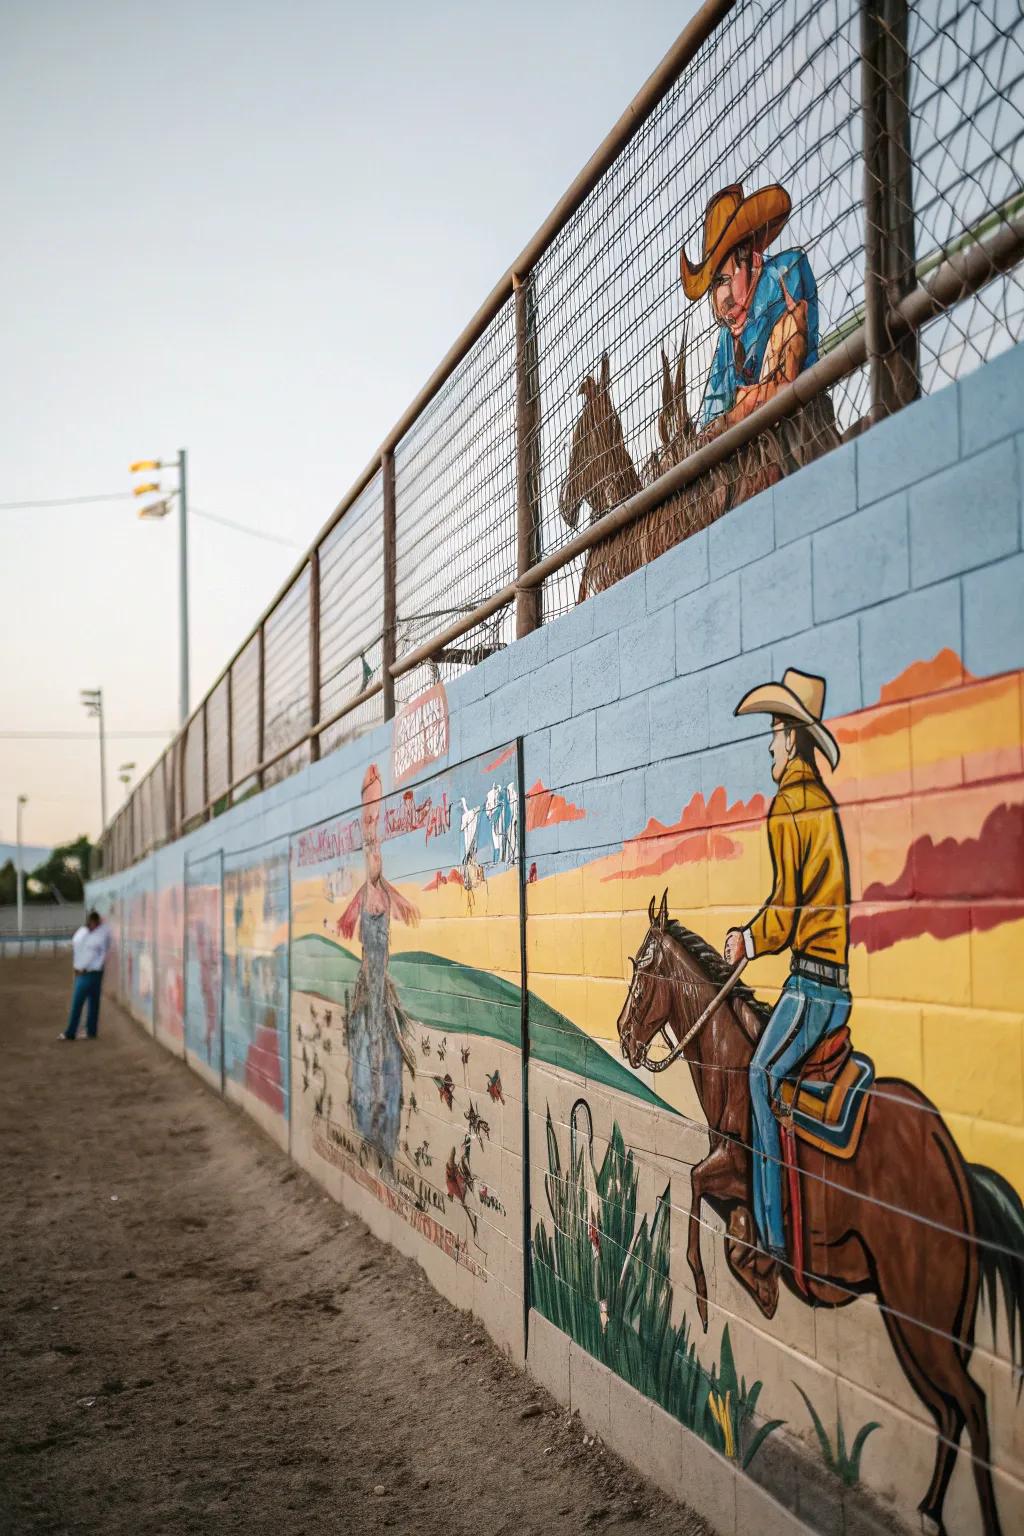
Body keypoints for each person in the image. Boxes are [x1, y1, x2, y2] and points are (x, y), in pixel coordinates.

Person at [722, 669, 851, 1262]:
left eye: (775, 732)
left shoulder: (790, 806)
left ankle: (773, 1241)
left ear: (794, 739)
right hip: (838, 986)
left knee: (758, 1077)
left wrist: (746, 942)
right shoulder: (822, 804)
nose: (769, 745)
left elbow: (786, 907)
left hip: (811, 989)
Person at [680, 182, 839, 478]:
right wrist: (728, 417)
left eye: (725, 279)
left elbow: (782, 383)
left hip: (801, 431)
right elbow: (711, 418)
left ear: (752, 260)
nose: (721, 304)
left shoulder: (786, 274)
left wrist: (734, 412)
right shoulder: (728, 338)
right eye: (715, 286)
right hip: (749, 456)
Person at [335, 764, 419, 1166]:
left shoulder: (379, 889)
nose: (376, 854)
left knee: (385, 1065)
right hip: (371, 990)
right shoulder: (371, 890)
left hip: (376, 992)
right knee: (373, 1065)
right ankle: (373, 1137)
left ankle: (382, 1141)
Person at [60, 910, 111, 1041]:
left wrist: (79, 969)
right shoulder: (99, 933)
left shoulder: (92, 935)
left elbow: (85, 952)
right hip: (95, 973)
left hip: (86, 973)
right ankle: (91, 1031)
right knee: (93, 1003)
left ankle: (71, 1032)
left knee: (78, 1003)